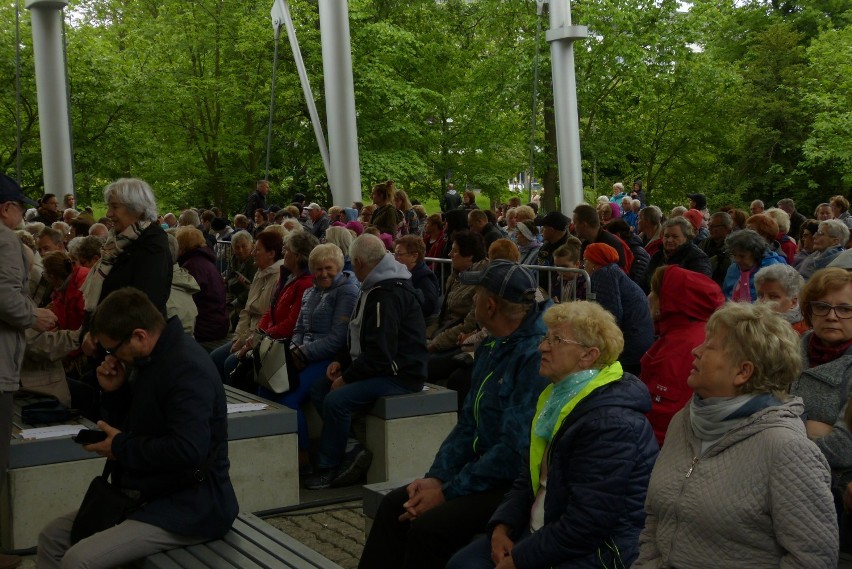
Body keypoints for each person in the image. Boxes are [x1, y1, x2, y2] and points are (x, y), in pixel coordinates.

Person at [359, 260, 549, 569]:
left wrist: (448, 491)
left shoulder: (533, 356)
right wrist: (435, 477)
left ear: (489, 305)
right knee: (397, 505)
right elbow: (467, 424)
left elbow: (513, 452)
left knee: (429, 527)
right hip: (480, 471)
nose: (471, 300)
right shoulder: (492, 344)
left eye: (476, 294)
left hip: (514, 483)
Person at [447, 300, 658, 569]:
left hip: (596, 551)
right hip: (545, 530)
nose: (542, 346)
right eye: (547, 337)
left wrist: (519, 560)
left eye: (556, 340)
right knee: (461, 563)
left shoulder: (610, 423)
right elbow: (530, 478)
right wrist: (502, 526)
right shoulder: (557, 398)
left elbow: (586, 524)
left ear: (588, 355)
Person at [37, 288, 238, 568]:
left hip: (191, 505)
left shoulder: (186, 369)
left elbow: (188, 450)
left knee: (78, 560)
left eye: (113, 349)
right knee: (51, 537)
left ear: (140, 336)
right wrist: (116, 393)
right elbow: (140, 424)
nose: (112, 356)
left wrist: (120, 447)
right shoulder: (153, 358)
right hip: (150, 493)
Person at [634, 302, 838, 568]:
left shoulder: (787, 450)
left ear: (743, 372)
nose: (695, 351)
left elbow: (814, 560)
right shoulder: (684, 421)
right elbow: (654, 522)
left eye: (710, 347)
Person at [306, 234, 427, 490]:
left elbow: (381, 354)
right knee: (318, 388)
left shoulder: (386, 293)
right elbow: (358, 334)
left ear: (359, 262)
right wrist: (341, 361)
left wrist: (347, 377)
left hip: (401, 375)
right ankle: (351, 447)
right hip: (383, 367)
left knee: (336, 400)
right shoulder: (374, 287)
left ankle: (329, 466)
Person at [0, 174, 57, 569]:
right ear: (6, 208)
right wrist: (32, 315)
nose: (23, 211)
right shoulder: (5, 242)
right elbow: (7, 298)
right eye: (19, 205)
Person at [263, 243, 358, 466]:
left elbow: (338, 338)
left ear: (338, 266)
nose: (323, 273)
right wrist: (295, 351)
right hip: (303, 354)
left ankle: (301, 454)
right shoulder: (310, 291)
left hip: (328, 358)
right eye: (318, 269)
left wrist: (302, 354)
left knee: (287, 397)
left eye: (328, 268)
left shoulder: (347, 291)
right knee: (265, 389)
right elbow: (298, 329)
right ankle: (274, 450)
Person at [789, 268, 852, 545]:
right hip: (780, 487)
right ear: (809, 310)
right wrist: (811, 428)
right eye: (822, 306)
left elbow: (843, 448)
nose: (832, 315)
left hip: (831, 497)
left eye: (845, 309)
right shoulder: (791, 349)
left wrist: (783, 435)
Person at [641, 266, 724, 445]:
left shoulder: (681, 347)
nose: (650, 296)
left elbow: (665, 414)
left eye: (655, 291)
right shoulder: (692, 333)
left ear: (670, 300)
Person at [210, 231, 286, 384]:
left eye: (257, 250)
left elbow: (266, 317)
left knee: (230, 363)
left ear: (271, 254)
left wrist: (243, 341)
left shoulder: (279, 278)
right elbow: (247, 311)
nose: (253, 253)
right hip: (247, 333)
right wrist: (237, 337)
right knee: (214, 357)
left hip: (261, 338)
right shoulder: (260, 273)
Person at [582, 243, 654, 376]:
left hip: (630, 347)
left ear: (594, 262)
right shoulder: (613, 271)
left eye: (585, 260)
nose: (583, 265)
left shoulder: (604, 275)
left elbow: (610, 315)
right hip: (640, 341)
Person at [426, 231, 487, 353]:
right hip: (446, 333)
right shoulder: (457, 275)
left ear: (469, 256)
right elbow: (443, 313)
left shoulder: (482, 282)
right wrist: (428, 334)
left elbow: (469, 325)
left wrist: (435, 343)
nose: (450, 254)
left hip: (459, 342)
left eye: (455, 251)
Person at [256, 231, 318, 342]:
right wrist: (258, 333)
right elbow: (271, 310)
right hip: (268, 336)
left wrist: (262, 336)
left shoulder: (306, 284)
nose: (283, 252)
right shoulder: (288, 276)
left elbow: (291, 325)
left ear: (297, 256)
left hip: (280, 343)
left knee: (227, 359)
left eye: (287, 249)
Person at [176, 227, 229, 345]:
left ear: (182, 245)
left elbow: (187, 302)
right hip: (216, 323)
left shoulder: (192, 266)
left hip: (206, 328)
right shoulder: (203, 261)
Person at [642, 216, 711, 292]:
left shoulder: (697, 258)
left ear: (686, 237)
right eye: (666, 236)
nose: (669, 240)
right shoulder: (658, 255)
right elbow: (645, 281)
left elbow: (700, 288)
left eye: (675, 236)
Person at [722, 228, 786, 301]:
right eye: (734, 255)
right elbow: (725, 295)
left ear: (755, 253)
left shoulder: (771, 269)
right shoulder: (733, 268)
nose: (737, 260)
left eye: (742, 256)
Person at [394, 235, 440, 319]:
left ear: (414, 256)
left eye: (399, 254)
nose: (396, 258)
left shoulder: (424, 278)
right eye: (395, 254)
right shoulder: (408, 272)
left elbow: (429, 307)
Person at [755, 263, 808, 334]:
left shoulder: (802, 334)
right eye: (760, 296)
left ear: (793, 302)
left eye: (773, 297)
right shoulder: (753, 324)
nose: (764, 302)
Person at [699, 211, 733, 287]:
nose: (709, 228)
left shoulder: (734, 246)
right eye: (709, 225)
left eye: (713, 226)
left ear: (726, 228)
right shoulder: (704, 243)